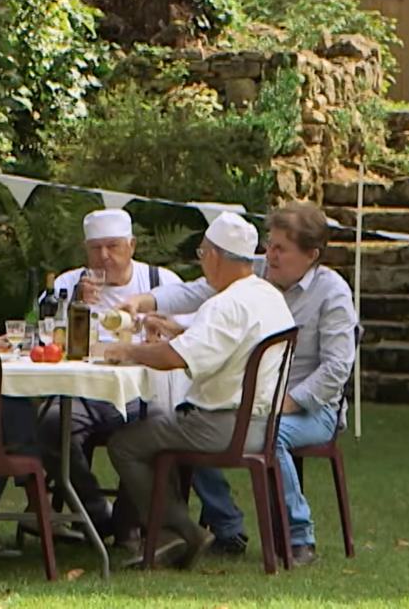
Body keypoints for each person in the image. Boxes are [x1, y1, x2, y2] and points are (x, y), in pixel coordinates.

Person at [124, 204, 355, 564]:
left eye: (281, 249)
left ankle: (299, 537)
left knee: (264, 431)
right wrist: (148, 300)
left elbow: (337, 369)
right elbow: (204, 292)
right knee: (197, 412)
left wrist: (286, 402)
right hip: (255, 398)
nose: (270, 256)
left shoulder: (333, 293)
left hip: (311, 405)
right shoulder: (258, 274)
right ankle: (227, 526)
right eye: (269, 245)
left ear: (311, 255)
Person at [103, 212, 296, 569]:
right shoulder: (266, 295)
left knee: (125, 443)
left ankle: (179, 532)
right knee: (155, 430)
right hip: (262, 424)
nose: (201, 260)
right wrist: (176, 331)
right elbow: (218, 345)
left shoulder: (227, 303)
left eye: (202, 252)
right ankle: (170, 533)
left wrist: (126, 351)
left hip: (223, 426)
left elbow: (174, 359)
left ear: (215, 257)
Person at [30, 208, 184, 542]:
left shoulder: (161, 283)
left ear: (132, 245)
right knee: (50, 424)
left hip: (140, 395)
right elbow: (38, 336)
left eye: (113, 246)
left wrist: (160, 332)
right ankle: (95, 513)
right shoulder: (68, 284)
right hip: (82, 395)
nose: (104, 256)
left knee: (158, 428)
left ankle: (128, 523)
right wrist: (74, 308)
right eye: (95, 248)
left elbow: (190, 335)